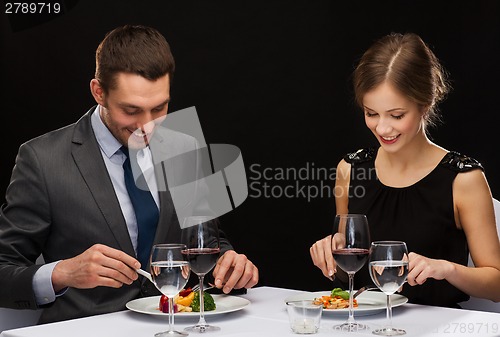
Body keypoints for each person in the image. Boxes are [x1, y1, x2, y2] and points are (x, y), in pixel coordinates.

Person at [0, 25, 258, 324]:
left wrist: (229, 263)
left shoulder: (186, 148)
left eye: (159, 107)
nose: (147, 126)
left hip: (176, 326)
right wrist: (62, 273)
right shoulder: (43, 160)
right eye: (131, 110)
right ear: (99, 92)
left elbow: (205, 242)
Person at [310, 32, 500, 307]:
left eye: (397, 115)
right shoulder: (350, 170)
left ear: (426, 103)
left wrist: (447, 269)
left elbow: (496, 285)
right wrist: (330, 251)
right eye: (371, 114)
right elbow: (348, 273)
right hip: (364, 325)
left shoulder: (463, 179)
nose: (383, 128)